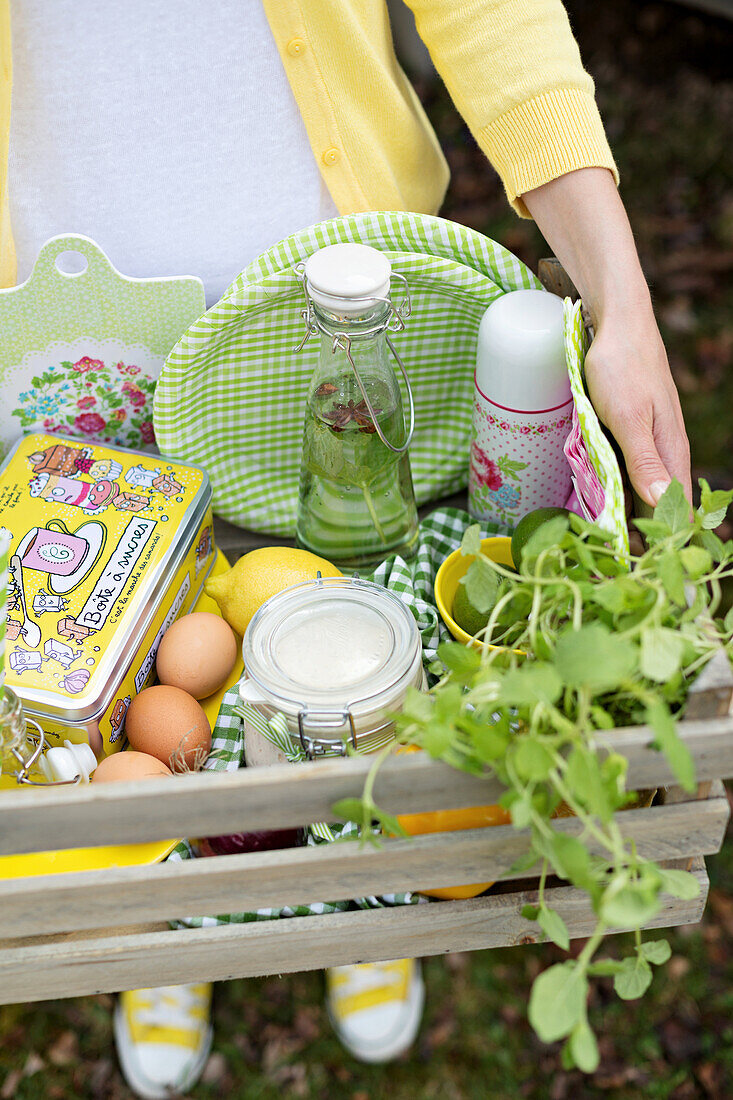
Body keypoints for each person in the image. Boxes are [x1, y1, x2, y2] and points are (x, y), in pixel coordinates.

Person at [0, 1, 691, 1096]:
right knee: (134, 676)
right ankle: (170, 897)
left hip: (338, 327)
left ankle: (368, 889)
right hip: (72, 355)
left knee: (367, 642)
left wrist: (621, 297)